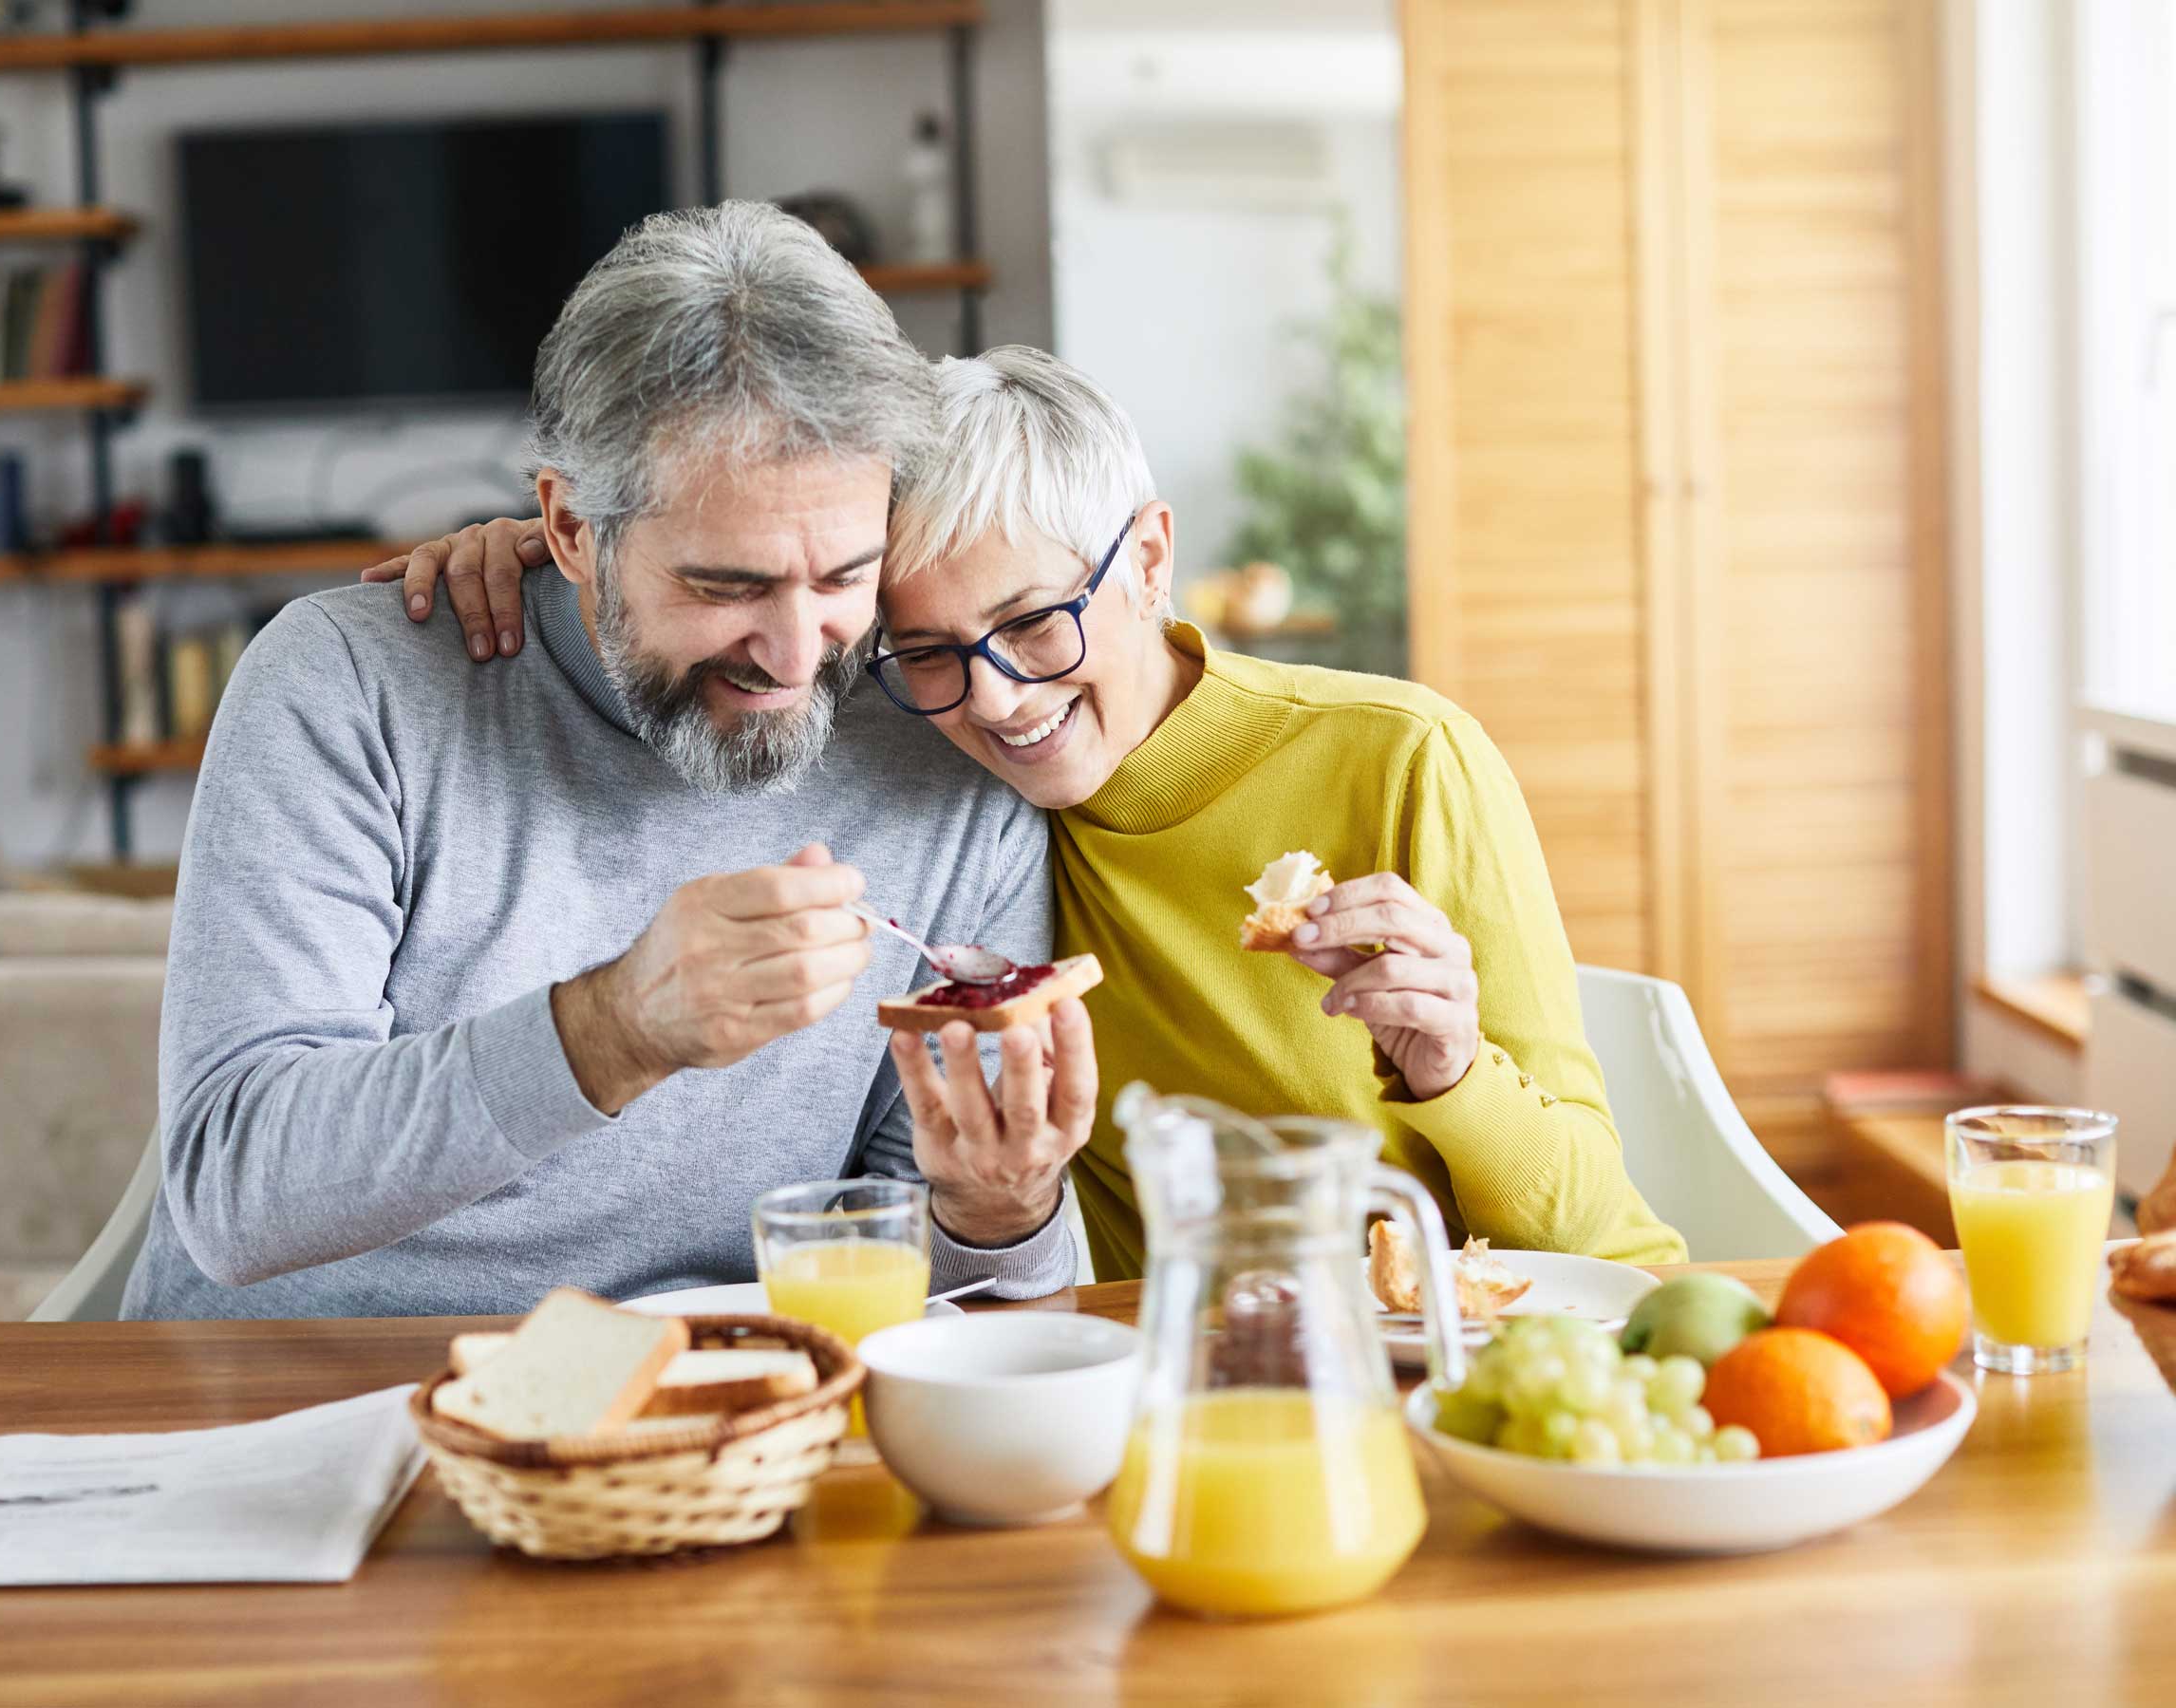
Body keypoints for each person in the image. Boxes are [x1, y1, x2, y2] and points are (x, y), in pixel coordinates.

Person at [377, 346, 1683, 1282]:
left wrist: (1454, 1073)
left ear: (1153, 556)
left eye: (1035, 624)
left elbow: (1606, 1233)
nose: (997, 703)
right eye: (930, 649)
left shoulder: (1403, 760)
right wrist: (551, 560)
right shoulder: (940, 781)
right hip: (1131, 1386)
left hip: (1439, 1362)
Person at [122, 208, 1091, 1320]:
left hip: (718, 1419)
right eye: (726, 586)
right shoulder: (346, 686)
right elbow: (235, 1187)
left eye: (843, 579)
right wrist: (616, 1026)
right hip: (297, 1401)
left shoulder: (947, 745)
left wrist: (997, 1214)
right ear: (571, 526)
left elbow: (921, 1269)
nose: (791, 657)